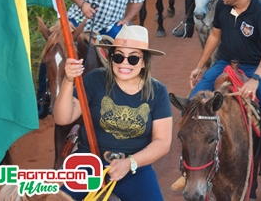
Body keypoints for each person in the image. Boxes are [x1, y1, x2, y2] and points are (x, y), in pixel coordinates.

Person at [187, 0, 261, 200]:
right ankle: (188, 169)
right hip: (222, 64)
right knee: (191, 105)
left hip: (252, 67)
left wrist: (255, 79)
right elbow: (214, 36)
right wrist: (200, 66)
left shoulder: (260, 12)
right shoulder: (222, 6)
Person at [54, 25, 172, 201]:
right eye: (118, 57)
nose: (124, 63)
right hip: (89, 162)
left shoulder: (157, 91)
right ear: (111, 59)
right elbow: (62, 118)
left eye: (133, 58)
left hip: (135, 168)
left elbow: (162, 142)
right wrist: (68, 80)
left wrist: (130, 162)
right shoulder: (94, 79)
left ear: (144, 61)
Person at [37, 0, 146, 118]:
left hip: (109, 26)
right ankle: (43, 96)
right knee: (53, 46)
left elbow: (138, 1)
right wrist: (83, 4)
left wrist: (127, 19)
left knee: (129, 54)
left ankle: (123, 97)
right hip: (78, 20)